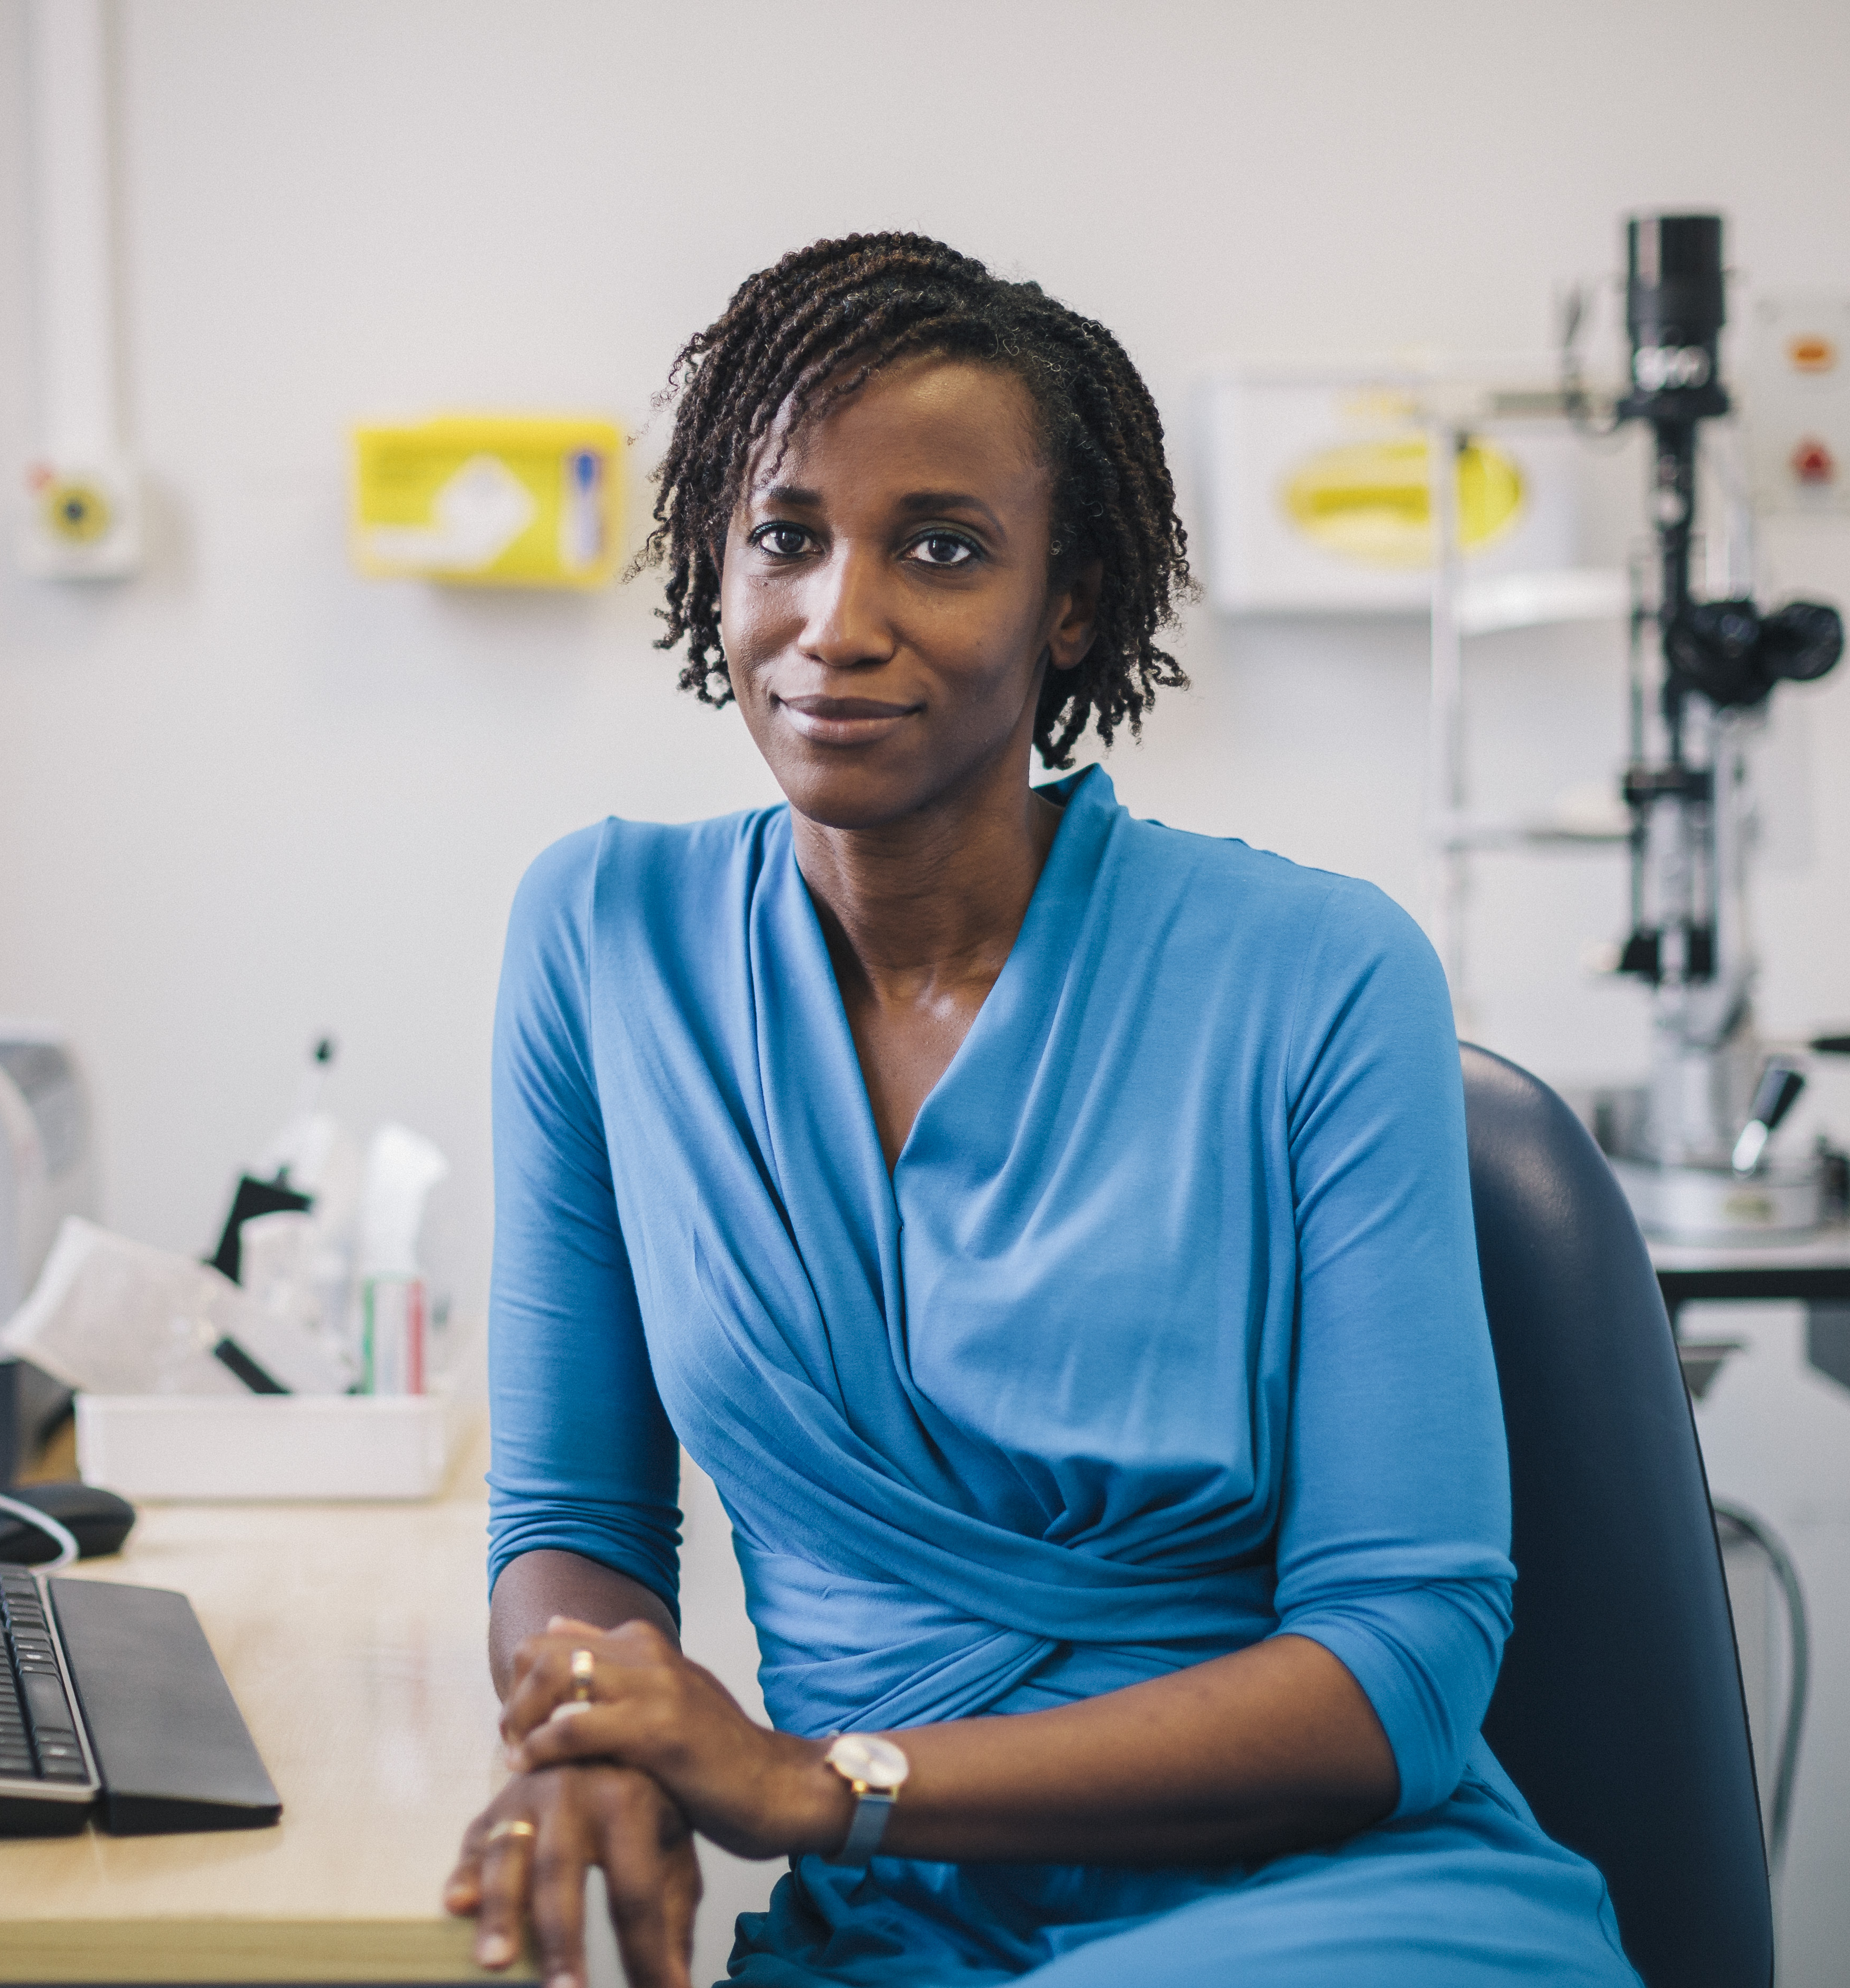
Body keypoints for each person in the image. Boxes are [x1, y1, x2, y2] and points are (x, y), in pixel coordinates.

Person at [446, 234, 1640, 1988]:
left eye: (940, 548)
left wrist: (815, 1783)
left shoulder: (1319, 974)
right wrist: (593, 1736)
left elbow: (1408, 1660)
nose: (837, 622)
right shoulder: (602, 940)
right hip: (898, 1932)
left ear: (1066, 600)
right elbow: (577, 1526)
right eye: (786, 534)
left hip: (1334, 1909)